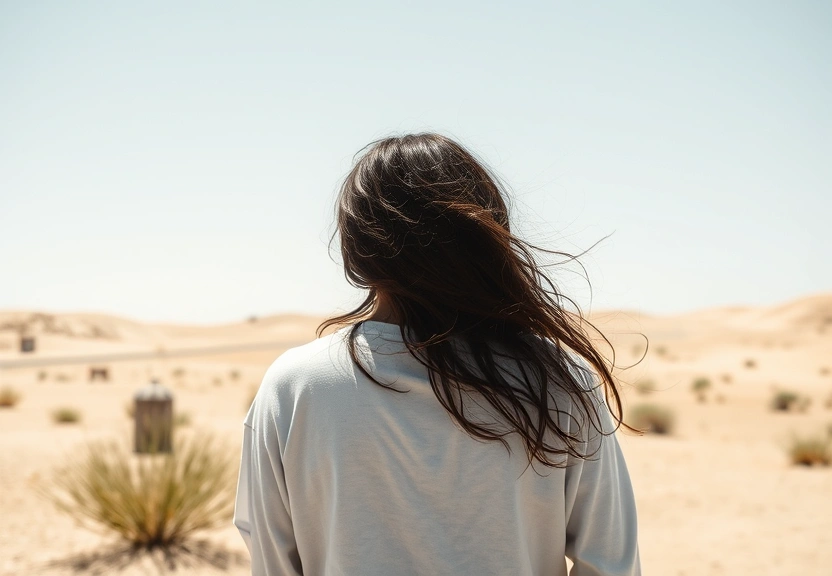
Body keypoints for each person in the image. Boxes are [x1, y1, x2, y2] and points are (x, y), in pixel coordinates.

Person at [234, 133, 641, 575]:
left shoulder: (295, 389)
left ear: (357, 250)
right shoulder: (558, 382)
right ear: (487, 236)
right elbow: (610, 565)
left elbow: (273, 562)